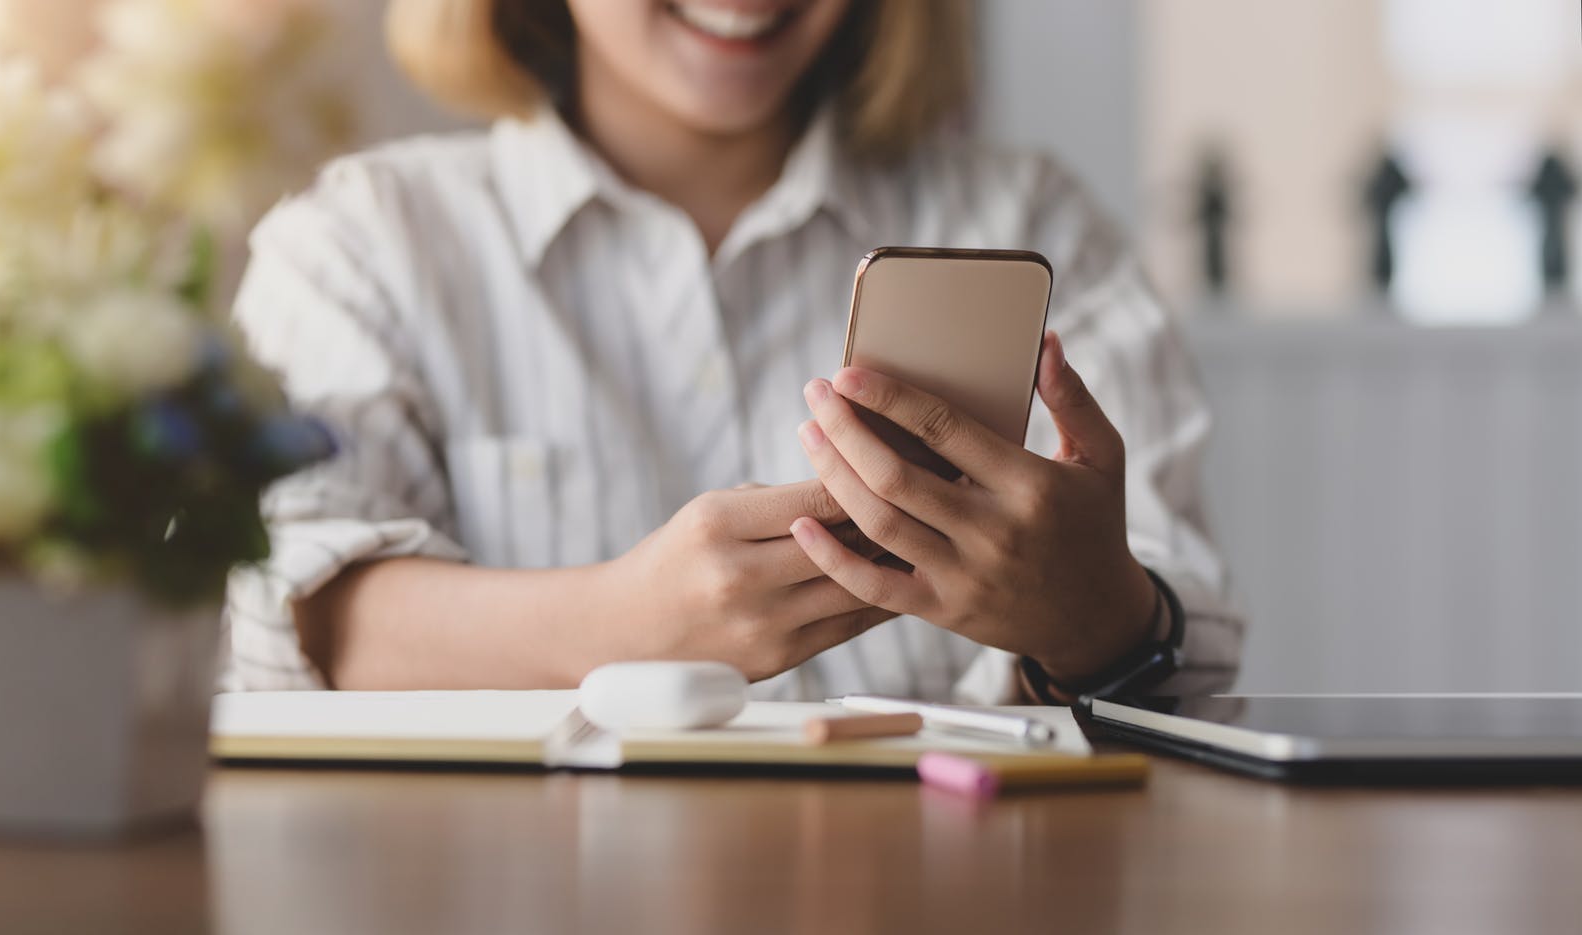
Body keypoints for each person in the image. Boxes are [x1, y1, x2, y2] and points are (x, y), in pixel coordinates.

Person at [225, 0, 1243, 703]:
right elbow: (273, 609)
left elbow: (1190, 649)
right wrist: (607, 624)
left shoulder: (1030, 219)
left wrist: (1089, 619)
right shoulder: (362, 241)